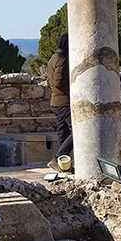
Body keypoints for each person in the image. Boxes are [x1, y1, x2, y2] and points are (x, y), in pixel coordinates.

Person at [46, 33, 73, 171]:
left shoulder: (53, 58)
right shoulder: (62, 60)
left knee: (63, 134)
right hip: (64, 102)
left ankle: (63, 165)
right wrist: (72, 90)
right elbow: (59, 82)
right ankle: (58, 157)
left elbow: (49, 83)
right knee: (77, 131)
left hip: (56, 102)